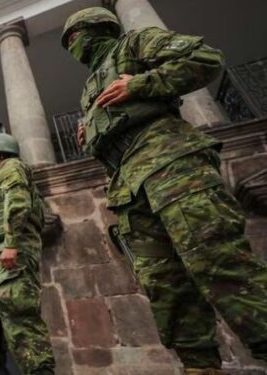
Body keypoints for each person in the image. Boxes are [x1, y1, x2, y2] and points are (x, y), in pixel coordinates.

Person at [61, 7, 267, 373]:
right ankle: (200, 366)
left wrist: (138, 84)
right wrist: (90, 132)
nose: (71, 47)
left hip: (171, 165)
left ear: (96, 29)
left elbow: (205, 58)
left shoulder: (135, 44)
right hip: (129, 186)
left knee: (219, 266)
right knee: (166, 288)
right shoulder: (89, 89)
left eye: (73, 37)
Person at [0, 133, 55, 374]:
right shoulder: (0, 177)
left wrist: (10, 243)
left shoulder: (10, 167)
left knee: (20, 313)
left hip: (12, 250)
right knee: (14, 314)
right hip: (4, 251)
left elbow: (17, 201)